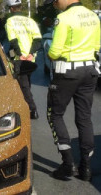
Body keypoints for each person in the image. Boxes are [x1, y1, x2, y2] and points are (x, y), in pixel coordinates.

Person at [44, 0, 100, 181]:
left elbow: (54, 51)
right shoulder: (93, 16)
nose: (54, 4)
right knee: (84, 117)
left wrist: (49, 54)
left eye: (55, 1)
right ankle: (86, 168)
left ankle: (68, 164)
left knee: (55, 114)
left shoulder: (63, 18)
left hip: (67, 72)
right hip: (90, 70)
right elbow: (97, 46)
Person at [5, 0, 42, 119]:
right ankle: (26, 106)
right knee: (27, 83)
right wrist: (30, 53)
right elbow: (37, 40)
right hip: (31, 59)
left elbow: (13, 40)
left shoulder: (10, 21)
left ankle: (32, 109)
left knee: (23, 85)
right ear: (20, 7)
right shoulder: (31, 21)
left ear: (11, 8)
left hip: (18, 58)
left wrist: (20, 54)